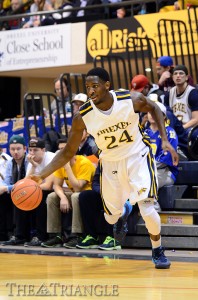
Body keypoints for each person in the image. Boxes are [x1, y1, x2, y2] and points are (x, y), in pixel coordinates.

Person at [30, 67, 178, 269]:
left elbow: (153, 108)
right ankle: (124, 210)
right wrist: (40, 175)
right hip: (110, 163)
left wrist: (164, 139)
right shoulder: (82, 117)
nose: (91, 91)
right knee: (111, 217)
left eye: (95, 86)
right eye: (87, 87)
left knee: (147, 207)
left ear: (107, 85)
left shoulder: (130, 99)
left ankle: (157, 250)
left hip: (137, 156)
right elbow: (67, 152)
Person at [41, 138, 96, 248]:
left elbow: (78, 188)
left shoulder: (84, 163)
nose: (62, 152)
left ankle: (76, 236)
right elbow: (56, 185)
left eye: (65, 149)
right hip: (75, 193)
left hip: (89, 195)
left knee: (76, 196)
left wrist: (67, 167)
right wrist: (63, 198)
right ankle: (55, 236)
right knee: (52, 196)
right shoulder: (60, 164)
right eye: (60, 149)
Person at [76, 162, 122, 250]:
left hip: (123, 196)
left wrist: (110, 192)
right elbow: (96, 182)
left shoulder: (125, 160)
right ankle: (92, 236)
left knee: (111, 196)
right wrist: (102, 192)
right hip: (104, 193)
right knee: (85, 196)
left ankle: (113, 238)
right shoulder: (104, 160)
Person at [144, 101, 179, 211]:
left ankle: (154, 208)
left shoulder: (169, 132)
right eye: (150, 112)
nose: (153, 115)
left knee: (145, 181)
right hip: (147, 170)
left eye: (156, 113)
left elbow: (166, 160)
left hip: (166, 172)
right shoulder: (145, 132)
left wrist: (146, 167)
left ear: (163, 116)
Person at [24, 137, 55, 246]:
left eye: (35, 150)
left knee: (40, 196)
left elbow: (49, 185)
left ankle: (41, 236)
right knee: (20, 197)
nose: (32, 154)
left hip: (56, 189)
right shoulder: (30, 162)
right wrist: (33, 166)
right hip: (39, 189)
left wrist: (36, 166)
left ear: (43, 150)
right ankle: (20, 235)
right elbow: (25, 184)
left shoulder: (51, 158)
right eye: (30, 150)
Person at [0, 135, 29, 244]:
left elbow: (27, 183)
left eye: (18, 149)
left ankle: (19, 236)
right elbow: (7, 182)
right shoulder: (9, 163)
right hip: (16, 190)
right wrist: (3, 188)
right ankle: (4, 234)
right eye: (12, 149)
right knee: (2, 196)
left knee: (17, 195)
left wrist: (6, 188)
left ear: (24, 149)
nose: (15, 152)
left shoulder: (29, 161)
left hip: (29, 191)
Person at [164, 65, 198, 132]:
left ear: (186, 77)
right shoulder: (169, 94)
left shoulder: (193, 93)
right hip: (175, 128)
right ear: (173, 78)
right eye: (175, 74)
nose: (178, 76)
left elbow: (196, 119)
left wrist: (181, 128)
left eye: (181, 73)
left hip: (190, 128)